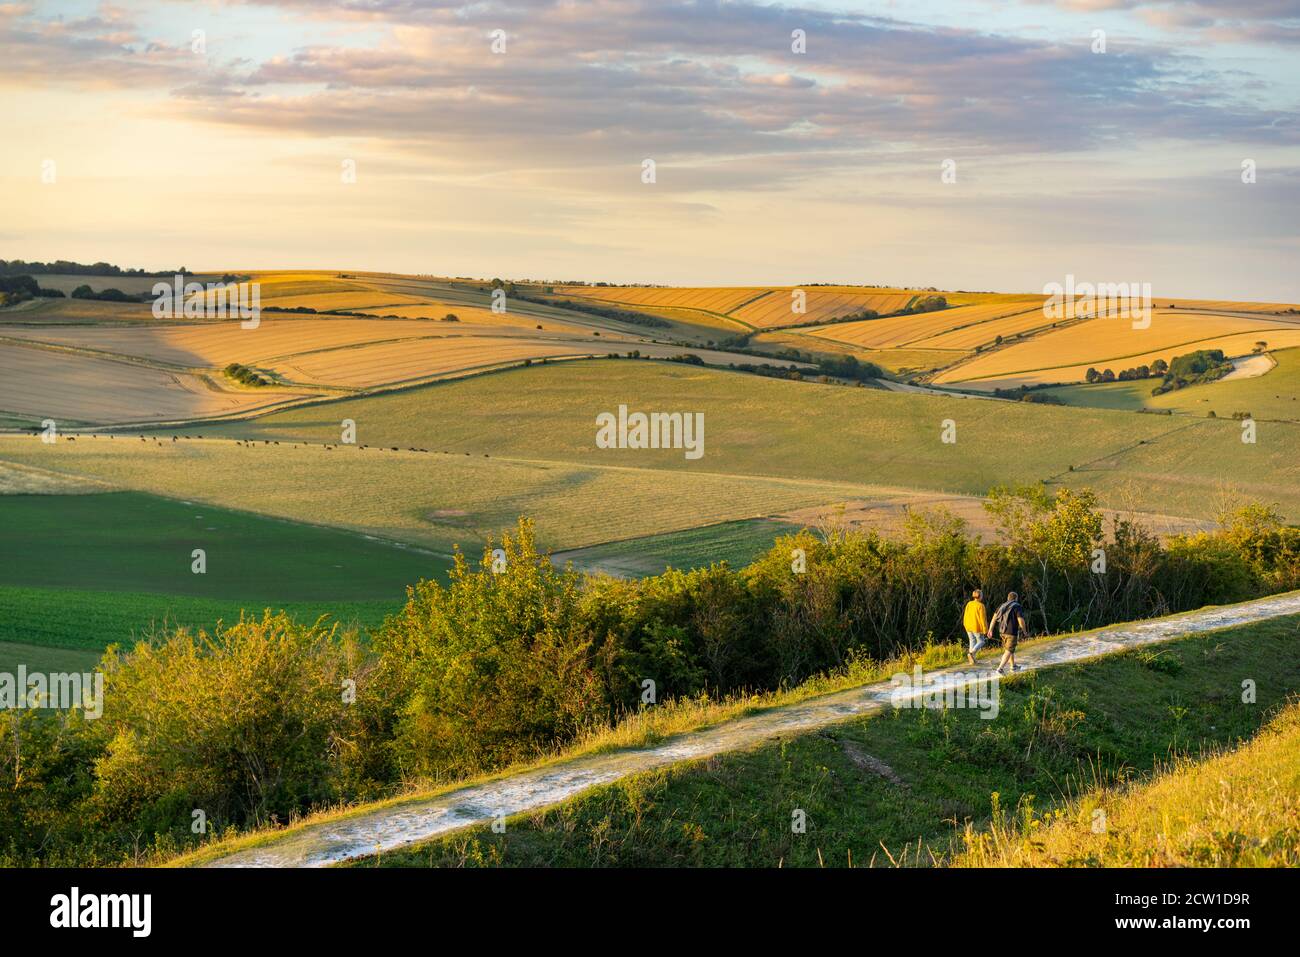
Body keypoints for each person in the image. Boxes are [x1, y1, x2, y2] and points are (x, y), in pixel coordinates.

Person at [988, 591, 1028, 675]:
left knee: (1009, 649)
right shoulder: (1017, 606)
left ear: (1008, 598)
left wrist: (990, 630)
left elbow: (994, 618)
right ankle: (1000, 669)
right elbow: (1020, 620)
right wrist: (1024, 631)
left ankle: (1013, 666)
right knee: (1009, 650)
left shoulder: (1001, 606)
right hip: (1011, 632)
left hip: (1002, 632)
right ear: (1016, 598)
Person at [962, 588, 988, 665]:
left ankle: (972, 660)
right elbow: (982, 619)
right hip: (976, 626)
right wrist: (985, 629)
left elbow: (965, 614)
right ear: (980, 596)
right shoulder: (981, 605)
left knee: (972, 641)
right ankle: (971, 653)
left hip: (968, 625)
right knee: (981, 641)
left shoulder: (969, 603)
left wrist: (964, 623)